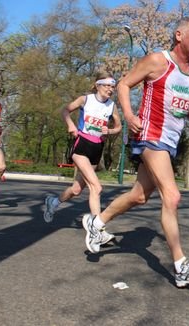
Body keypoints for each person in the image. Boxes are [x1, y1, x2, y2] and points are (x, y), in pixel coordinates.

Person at [81, 18, 189, 288]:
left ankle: (97, 222)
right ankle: (181, 266)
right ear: (179, 35)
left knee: (139, 196)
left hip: (170, 141)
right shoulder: (157, 61)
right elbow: (124, 84)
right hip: (150, 135)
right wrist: (129, 115)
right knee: (172, 196)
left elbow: (183, 107)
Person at [43, 72, 122, 247]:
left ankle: (53, 202)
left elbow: (118, 126)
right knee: (97, 187)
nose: (111, 89)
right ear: (97, 85)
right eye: (108, 85)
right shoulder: (85, 99)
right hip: (81, 146)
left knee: (77, 190)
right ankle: (97, 230)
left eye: (113, 86)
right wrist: (71, 125)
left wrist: (109, 131)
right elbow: (65, 110)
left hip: (97, 148)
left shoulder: (112, 106)